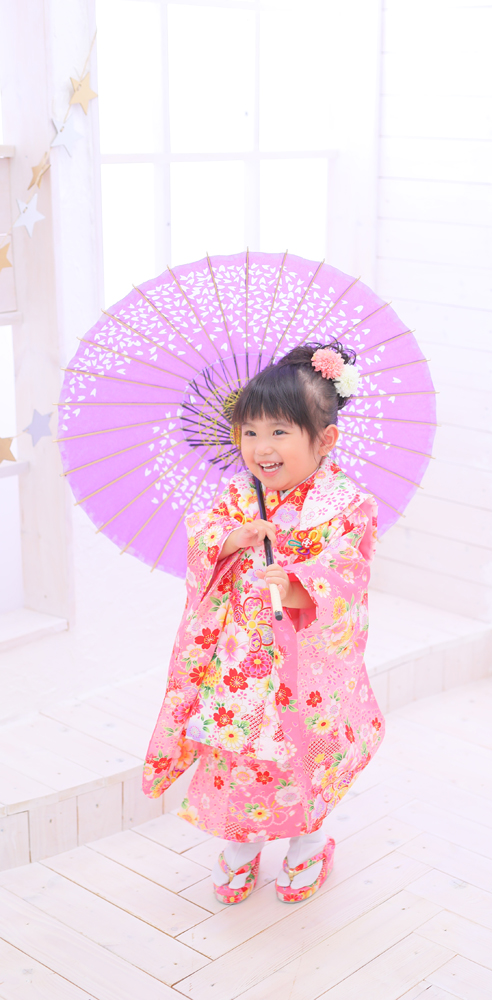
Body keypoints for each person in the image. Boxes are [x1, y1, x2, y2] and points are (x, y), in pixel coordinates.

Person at [143, 341, 384, 904]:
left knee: (302, 753)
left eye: (279, 431)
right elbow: (202, 536)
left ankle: (308, 844)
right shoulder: (238, 494)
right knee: (240, 750)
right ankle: (240, 845)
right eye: (250, 432)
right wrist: (233, 537)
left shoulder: (347, 505)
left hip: (307, 664)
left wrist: (298, 584)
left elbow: (348, 571)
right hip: (241, 662)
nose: (261, 447)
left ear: (325, 439)